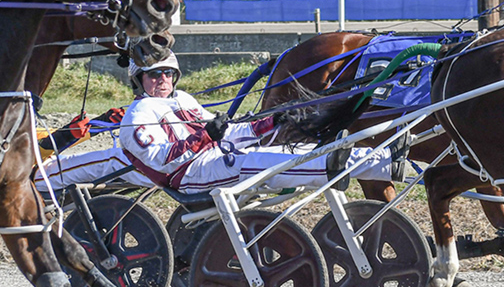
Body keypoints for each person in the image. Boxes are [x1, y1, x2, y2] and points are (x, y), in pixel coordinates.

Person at [106, 52, 400, 194]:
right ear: (138, 79)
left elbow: (230, 134)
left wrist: (273, 120)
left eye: (168, 73)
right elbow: (160, 160)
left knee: (285, 154)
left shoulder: (183, 99)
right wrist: (205, 137)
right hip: (190, 175)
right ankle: (339, 166)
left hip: (216, 158)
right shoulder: (137, 116)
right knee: (259, 164)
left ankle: (387, 159)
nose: (163, 80)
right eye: (154, 75)